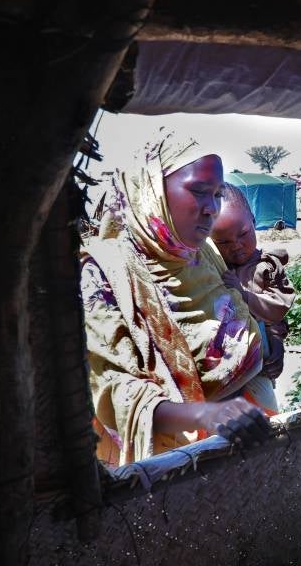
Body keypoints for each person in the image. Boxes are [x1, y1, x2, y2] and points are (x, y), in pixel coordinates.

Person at [81, 134, 275, 467]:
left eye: (216, 195)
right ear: (152, 190)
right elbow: (115, 392)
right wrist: (206, 414)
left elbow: (239, 309)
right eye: (199, 191)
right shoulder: (103, 273)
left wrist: (271, 345)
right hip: (179, 468)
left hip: (253, 436)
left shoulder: (203, 253)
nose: (211, 209)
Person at [211, 184, 296, 396]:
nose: (236, 245)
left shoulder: (267, 267)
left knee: (263, 415)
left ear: (254, 222)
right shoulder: (214, 270)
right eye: (223, 242)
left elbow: (277, 310)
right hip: (223, 369)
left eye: (243, 234)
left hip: (260, 364)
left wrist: (277, 344)